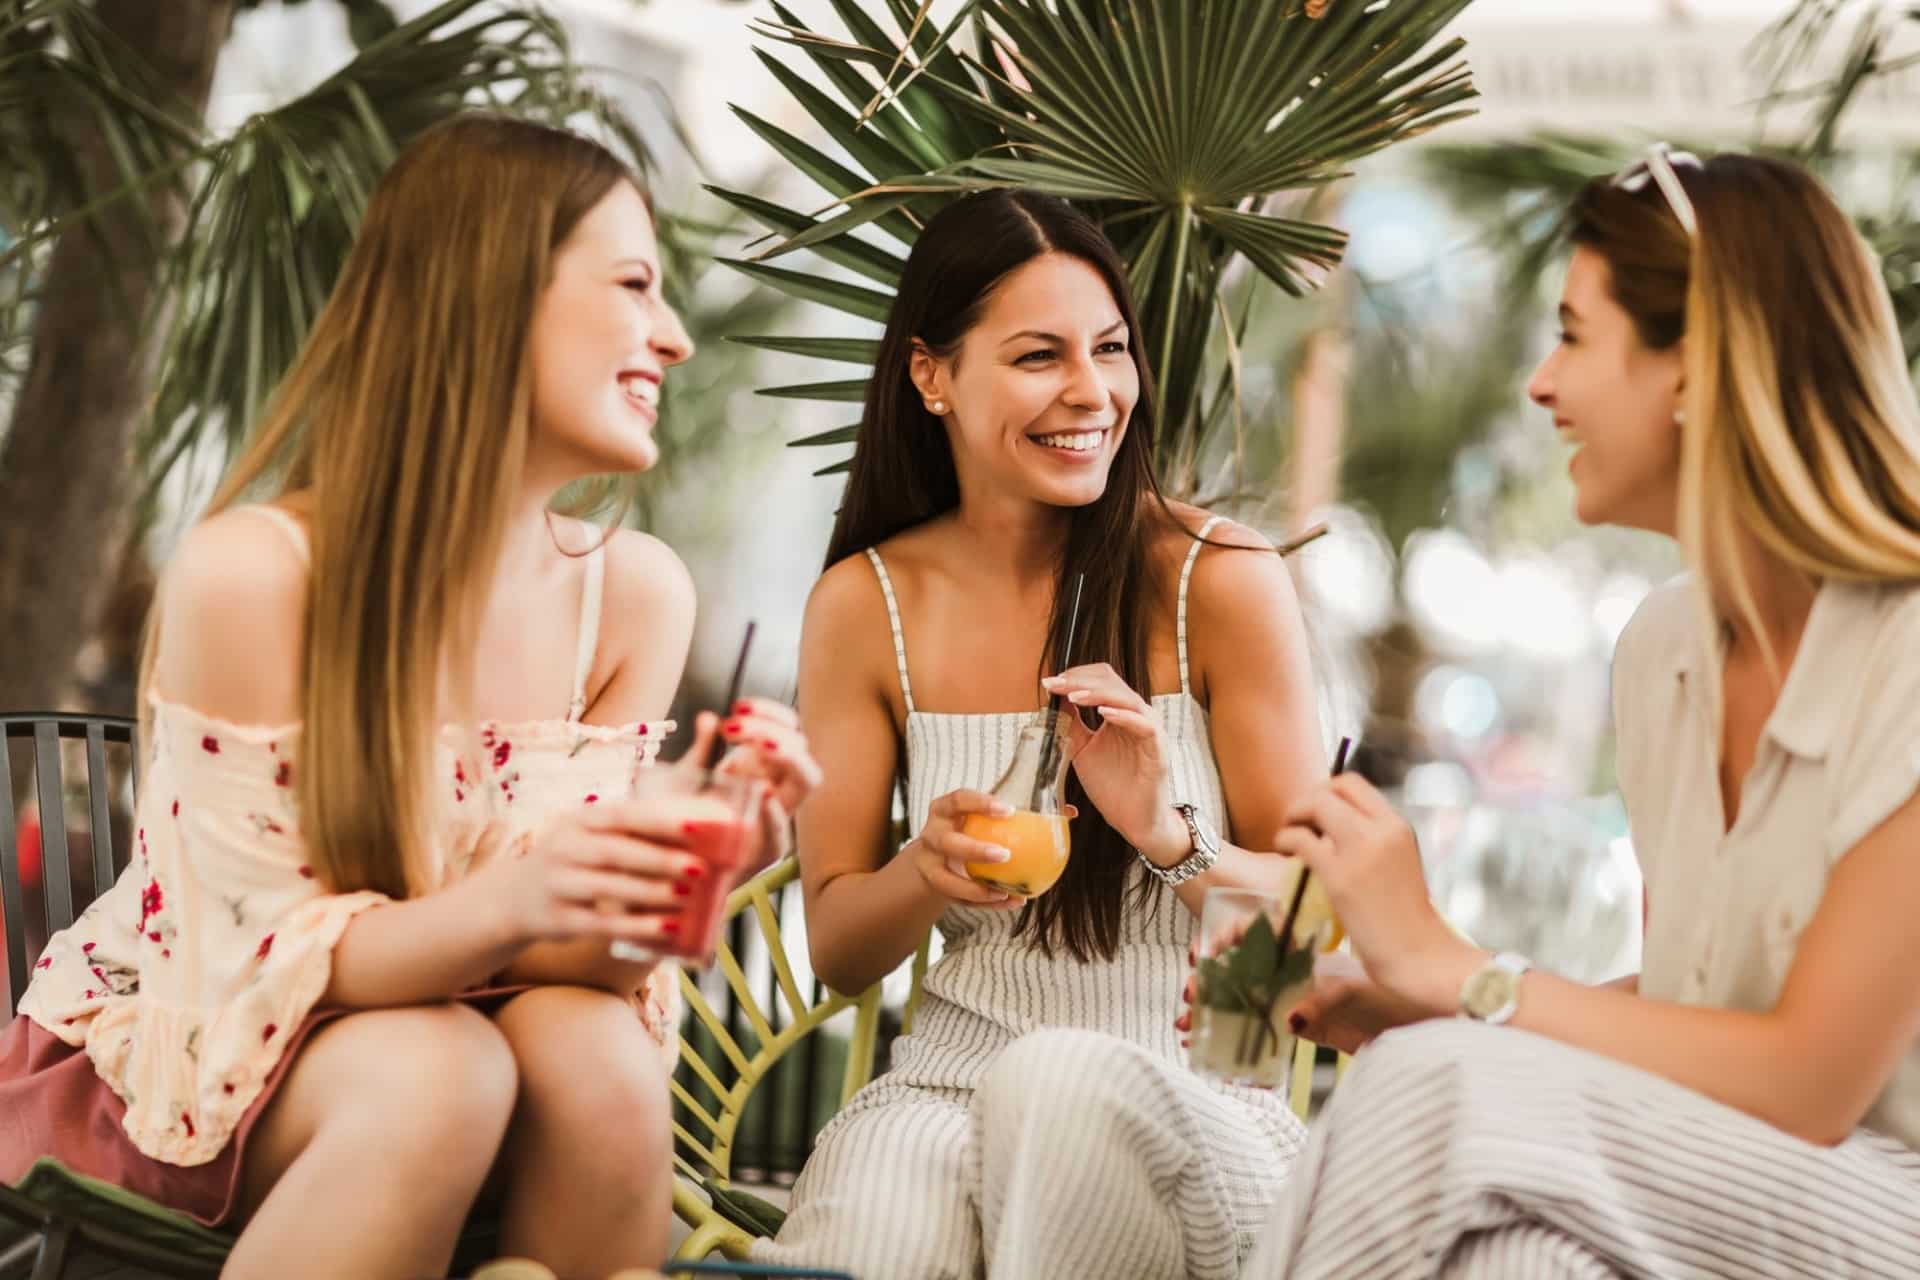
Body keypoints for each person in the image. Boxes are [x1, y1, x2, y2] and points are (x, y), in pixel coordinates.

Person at [0, 114, 819, 1280]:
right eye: (635, 283)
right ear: (486, 293)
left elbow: (573, 970)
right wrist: (531, 890)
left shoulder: (633, 595)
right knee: (444, 1076)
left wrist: (675, 873)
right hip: (199, 1051)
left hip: (459, 1033)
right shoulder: (257, 574)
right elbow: (264, 962)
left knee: (598, 1059)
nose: (674, 337)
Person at [1245, 147, 1920, 1278]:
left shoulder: (1906, 652)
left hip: (1884, 1195)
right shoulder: (1665, 651)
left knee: (1437, 1090)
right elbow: (1689, 1001)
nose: (1539, 384)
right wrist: (1414, 1001)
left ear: (1696, 365)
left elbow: (1808, 1079)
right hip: (1734, 1170)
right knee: (1516, 1256)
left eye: (1571, 333)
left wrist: (1460, 973)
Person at [752, 190, 1326, 1280]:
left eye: (1109, 348)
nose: (1092, 392)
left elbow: (1311, 940)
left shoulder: (1222, 583)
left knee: (1056, 1083)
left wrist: (1167, 830)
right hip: (946, 1087)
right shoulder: (865, 603)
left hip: (1203, 1098)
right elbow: (837, 948)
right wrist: (925, 868)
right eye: (1037, 355)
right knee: (874, 1234)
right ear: (932, 375)